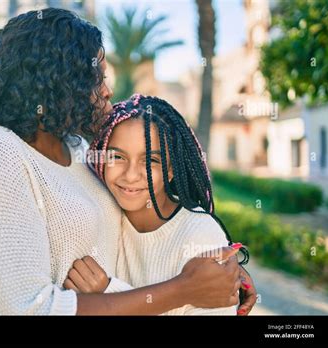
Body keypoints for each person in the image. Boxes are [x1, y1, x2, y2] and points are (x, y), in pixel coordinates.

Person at [0, 8, 256, 315]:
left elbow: (141, 229)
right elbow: (27, 310)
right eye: (96, 77)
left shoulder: (78, 149)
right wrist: (183, 289)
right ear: (57, 80)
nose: (107, 90)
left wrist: (221, 273)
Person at [65, 94, 251, 315]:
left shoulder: (202, 235)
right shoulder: (105, 212)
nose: (131, 175)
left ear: (171, 169)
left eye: (150, 161)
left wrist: (109, 293)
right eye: (117, 157)